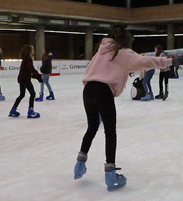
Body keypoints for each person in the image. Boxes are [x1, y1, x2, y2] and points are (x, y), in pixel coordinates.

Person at [73, 25, 176, 191]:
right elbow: (145, 61)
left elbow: (90, 70)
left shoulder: (101, 51)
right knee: (110, 131)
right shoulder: (122, 52)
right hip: (102, 91)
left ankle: (79, 165)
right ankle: (110, 174)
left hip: (88, 90)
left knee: (92, 127)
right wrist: (169, 61)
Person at [9, 45, 42, 118]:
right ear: (29, 50)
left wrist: (34, 76)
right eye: (33, 49)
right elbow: (31, 69)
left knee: (22, 95)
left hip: (21, 78)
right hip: (25, 79)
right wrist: (38, 77)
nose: (34, 50)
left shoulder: (25, 58)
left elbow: (27, 70)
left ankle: (13, 110)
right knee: (32, 94)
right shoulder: (28, 58)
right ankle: (31, 111)